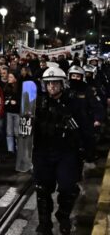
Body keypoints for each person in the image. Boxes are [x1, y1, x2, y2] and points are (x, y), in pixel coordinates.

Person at [33, 67, 88, 234]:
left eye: (55, 83)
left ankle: (63, 216)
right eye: (48, 83)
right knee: (42, 188)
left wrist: (85, 148)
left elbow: (84, 126)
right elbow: (27, 126)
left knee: (68, 188)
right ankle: (44, 223)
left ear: (62, 84)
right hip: (43, 151)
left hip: (66, 152)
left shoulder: (74, 102)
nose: (52, 87)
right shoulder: (38, 102)